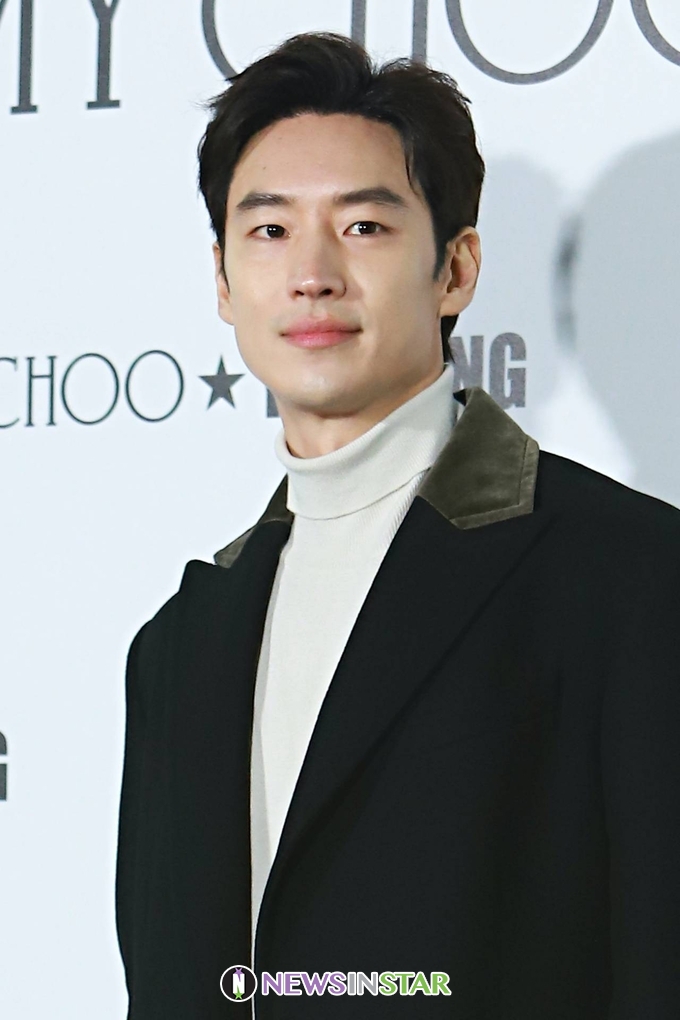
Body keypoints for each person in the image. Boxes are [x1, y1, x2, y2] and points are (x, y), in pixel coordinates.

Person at [115, 31, 680, 1020]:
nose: (313, 273)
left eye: (364, 226)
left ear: (455, 268)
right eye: (269, 229)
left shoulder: (629, 574)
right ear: (223, 281)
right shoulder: (177, 644)